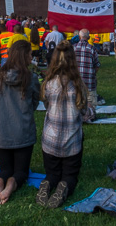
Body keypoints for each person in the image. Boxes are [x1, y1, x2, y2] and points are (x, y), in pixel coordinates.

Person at [37, 41, 88, 209]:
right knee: (69, 175)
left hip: (50, 141)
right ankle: (64, 187)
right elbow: (84, 109)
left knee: (51, 174)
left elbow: (46, 105)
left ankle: (47, 184)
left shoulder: (48, 83)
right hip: (72, 142)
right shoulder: (79, 85)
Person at [0, 40, 40, 205]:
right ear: (24, 56)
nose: (32, 57)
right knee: (21, 171)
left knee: (5, 169)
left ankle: (0, 181)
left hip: (0, 132)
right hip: (22, 132)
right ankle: (11, 184)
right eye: (30, 54)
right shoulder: (31, 78)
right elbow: (34, 103)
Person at [74, 29, 100, 107]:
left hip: (76, 82)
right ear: (88, 37)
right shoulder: (92, 49)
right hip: (89, 82)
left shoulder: (73, 48)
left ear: (79, 37)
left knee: (76, 105)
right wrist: (92, 73)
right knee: (91, 107)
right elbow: (97, 65)